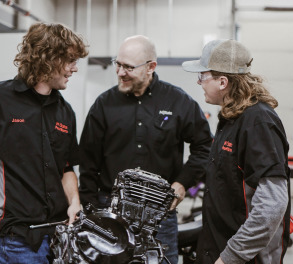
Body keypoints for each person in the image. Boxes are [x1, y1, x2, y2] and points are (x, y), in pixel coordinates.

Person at [0, 22, 88, 263]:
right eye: (70, 60)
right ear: (49, 58)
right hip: (15, 240)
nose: (74, 69)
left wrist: (75, 202)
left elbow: (66, 167)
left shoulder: (65, 111)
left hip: (60, 237)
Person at [79, 35, 212, 264]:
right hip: (112, 214)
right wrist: (93, 214)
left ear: (151, 67)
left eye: (128, 67)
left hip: (159, 216)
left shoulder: (178, 101)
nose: (120, 72)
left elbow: (205, 146)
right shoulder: (104, 105)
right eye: (118, 64)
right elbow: (88, 163)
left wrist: (182, 183)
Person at [182, 39, 291, 264]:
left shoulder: (258, 122)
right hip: (219, 249)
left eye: (203, 76)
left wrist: (230, 257)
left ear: (223, 82)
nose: (199, 82)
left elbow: (271, 205)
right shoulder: (231, 118)